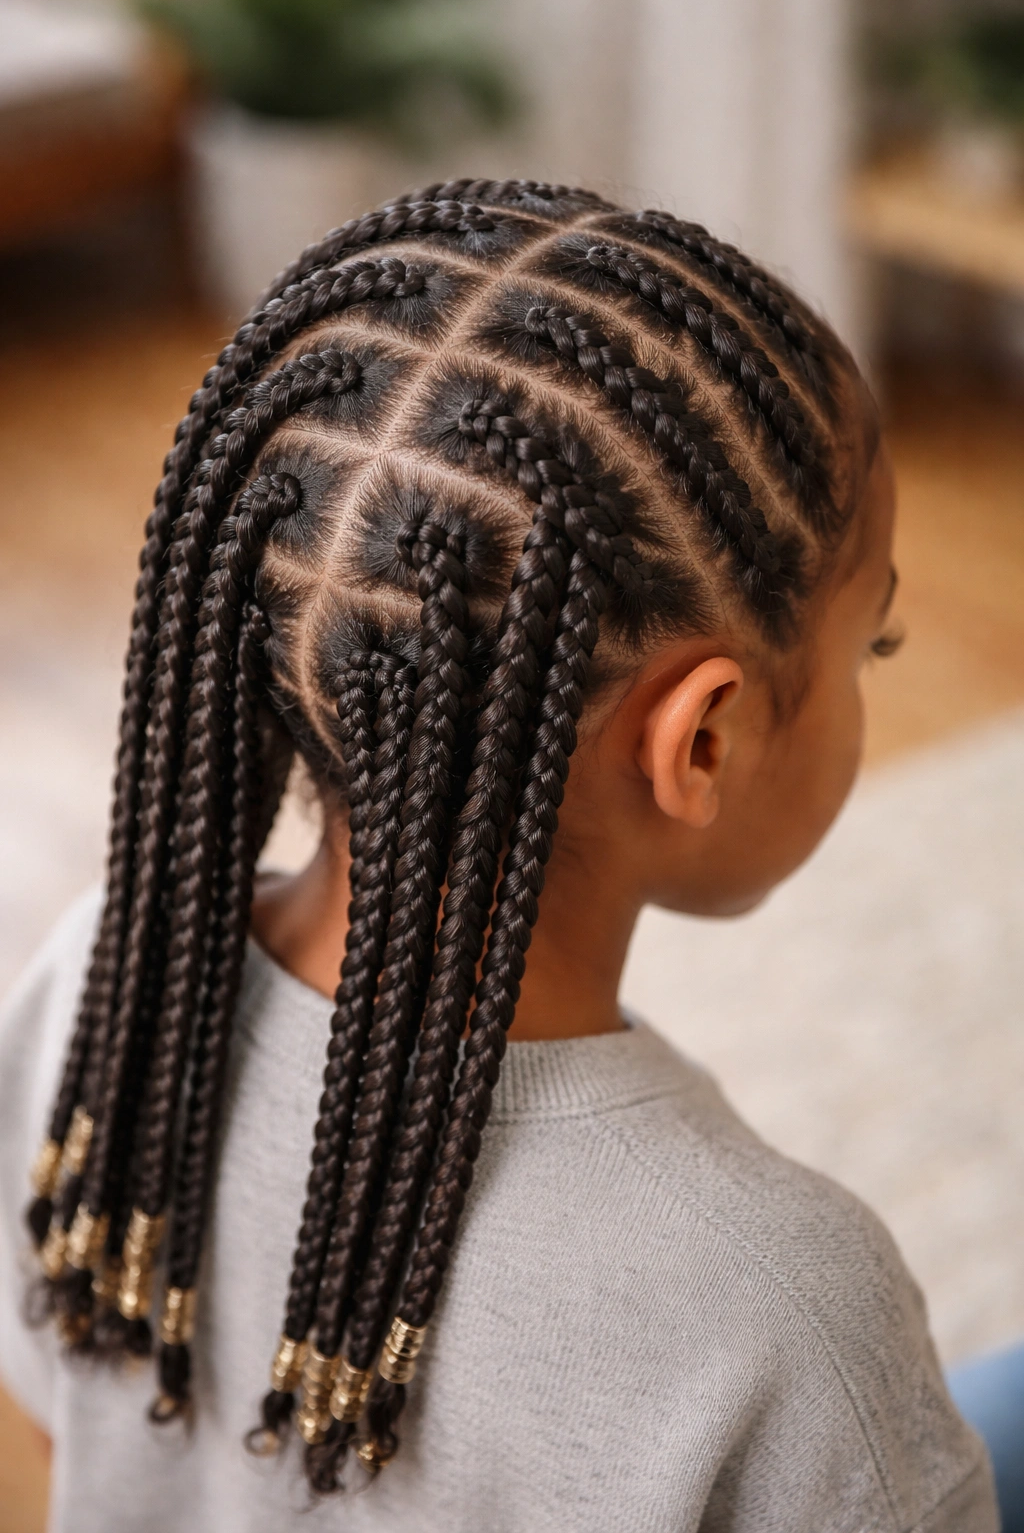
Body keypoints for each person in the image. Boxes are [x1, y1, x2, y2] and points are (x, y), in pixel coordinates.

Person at [0, 180, 1001, 1531]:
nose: (876, 672)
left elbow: (50, 1432)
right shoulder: (783, 1306)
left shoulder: (102, 989)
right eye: (866, 644)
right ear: (701, 741)